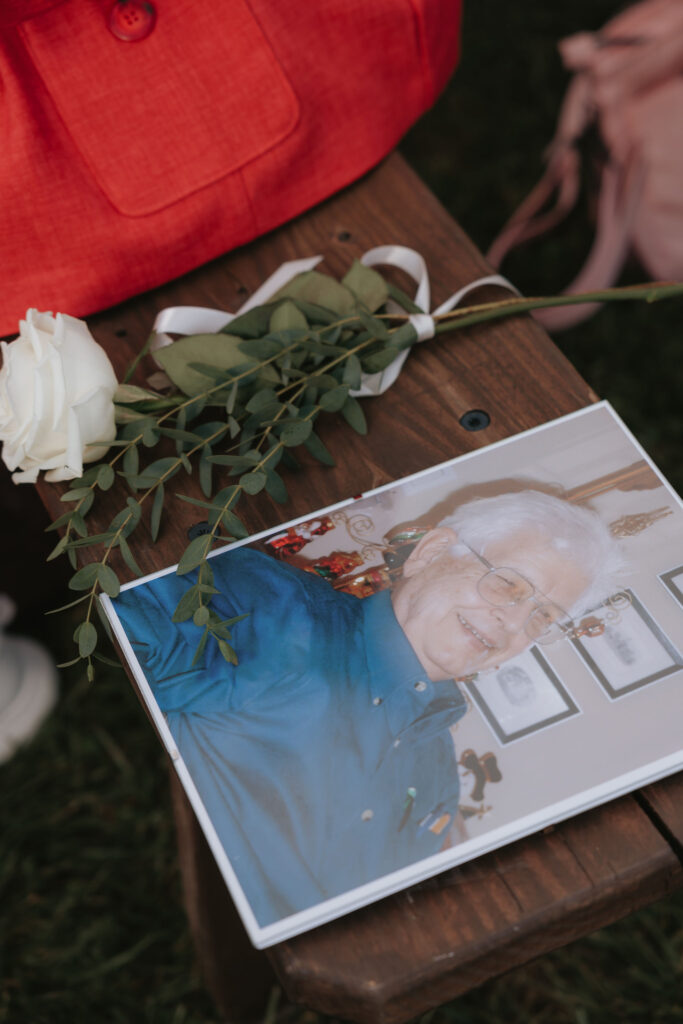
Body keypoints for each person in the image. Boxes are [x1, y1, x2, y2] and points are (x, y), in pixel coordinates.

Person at [112, 489, 624, 927]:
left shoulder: (438, 770)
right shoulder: (270, 607)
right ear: (431, 553)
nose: (512, 623)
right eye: (510, 584)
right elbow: (113, 618)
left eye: (542, 618)